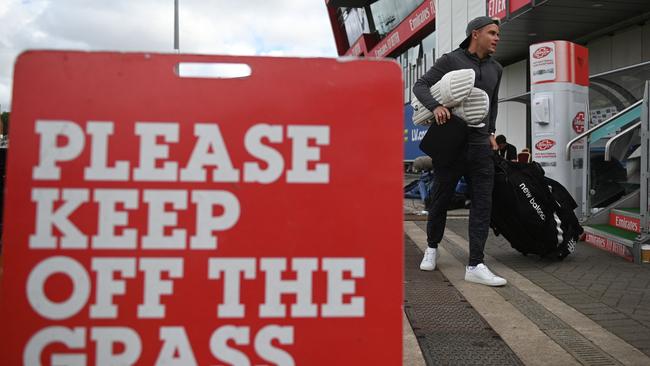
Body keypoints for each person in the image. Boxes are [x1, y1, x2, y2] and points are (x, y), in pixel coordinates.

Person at [413, 16, 507, 286]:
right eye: (492, 33)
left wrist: (491, 132)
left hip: (479, 143)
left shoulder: (496, 68)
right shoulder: (451, 60)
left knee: (482, 202)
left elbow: (494, 103)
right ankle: (432, 247)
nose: (497, 38)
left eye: (497, 34)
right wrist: (436, 106)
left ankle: (475, 264)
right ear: (475, 34)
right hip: (451, 141)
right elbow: (420, 85)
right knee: (441, 197)